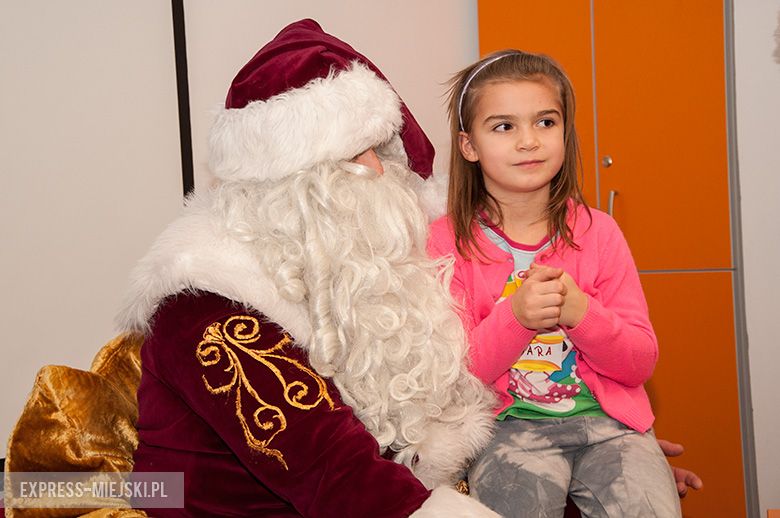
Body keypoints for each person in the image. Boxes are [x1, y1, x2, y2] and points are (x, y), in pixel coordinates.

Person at [115, 19, 500, 517]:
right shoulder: (210, 309)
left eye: (381, 151)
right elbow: (334, 475)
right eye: (359, 156)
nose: (382, 172)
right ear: (293, 189)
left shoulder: (334, 272)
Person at [427, 49, 683, 517]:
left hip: (612, 425)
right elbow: (452, 379)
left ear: (565, 131)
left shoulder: (599, 231)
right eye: (504, 126)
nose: (529, 141)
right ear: (469, 146)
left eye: (545, 122)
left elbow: (639, 363)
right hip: (508, 429)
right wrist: (516, 318)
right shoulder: (444, 243)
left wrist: (582, 314)